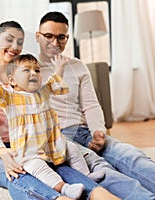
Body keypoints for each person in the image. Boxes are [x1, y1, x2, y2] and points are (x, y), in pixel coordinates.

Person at [0, 20, 120, 200]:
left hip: (24, 143)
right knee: (19, 169)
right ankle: (57, 198)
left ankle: (97, 193)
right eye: (9, 39)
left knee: (58, 163)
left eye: (20, 42)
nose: (15, 46)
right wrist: (2, 152)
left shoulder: (26, 77)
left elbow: (50, 87)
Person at [35, 11, 155, 199]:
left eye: (61, 37)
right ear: (38, 36)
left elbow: (90, 104)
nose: (55, 43)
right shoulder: (28, 69)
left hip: (84, 130)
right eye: (48, 36)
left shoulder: (77, 66)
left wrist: (98, 131)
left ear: (67, 38)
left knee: (131, 155)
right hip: (58, 138)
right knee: (101, 169)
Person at [0, 54, 108, 199]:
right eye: (26, 70)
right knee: (38, 168)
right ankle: (64, 188)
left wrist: (59, 67)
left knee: (72, 148)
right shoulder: (10, 98)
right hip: (28, 152)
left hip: (51, 145)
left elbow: (55, 81)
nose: (33, 73)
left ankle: (86, 176)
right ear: (12, 80)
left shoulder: (43, 92)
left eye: (37, 70)